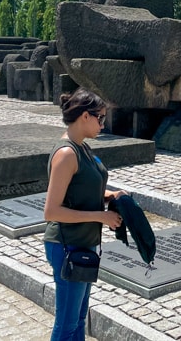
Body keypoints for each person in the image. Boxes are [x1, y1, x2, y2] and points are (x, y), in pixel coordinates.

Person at [43, 88, 125, 341]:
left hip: (85, 243)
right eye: (100, 118)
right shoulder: (67, 154)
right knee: (67, 323)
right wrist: (101, 217)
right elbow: (52, 211)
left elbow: (80, 194)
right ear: (85, 117)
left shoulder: (83, 148)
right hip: (68, 244)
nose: (103, 124)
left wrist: (109, 196)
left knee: (78, 319)